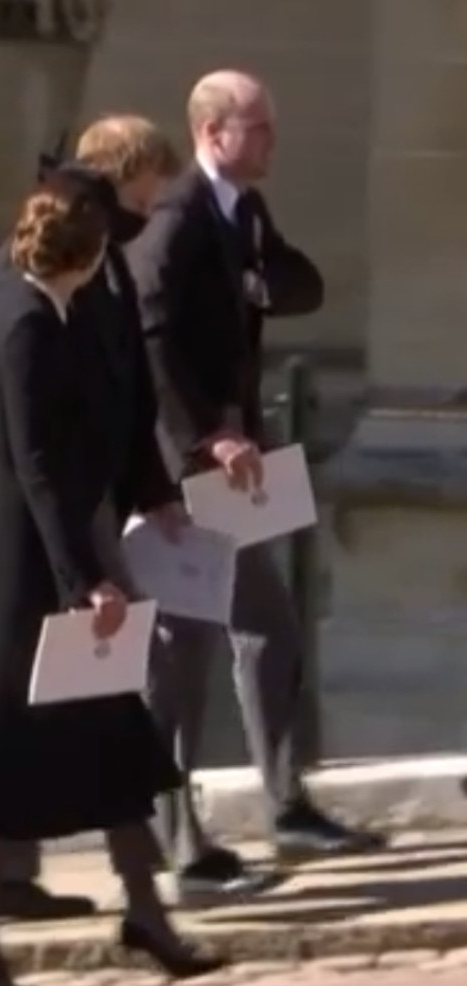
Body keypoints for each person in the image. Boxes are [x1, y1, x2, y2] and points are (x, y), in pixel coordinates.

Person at [0, 172, 225, 986]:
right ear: (83, 256)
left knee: (118, 738)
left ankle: (147, 915)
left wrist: (148, 499)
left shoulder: (68, 308)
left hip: (55, 558)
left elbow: (109, 422)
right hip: (12, 568)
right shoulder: (19, 323)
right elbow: (37, 469)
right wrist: (86, 578)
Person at [126, 69, 386, 901]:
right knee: (184, 652)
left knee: (268, 627)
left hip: (240, 464)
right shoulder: (175, 222)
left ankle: (286, 804)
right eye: (259, 128)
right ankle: (177, 839)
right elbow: (151, 339)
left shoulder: (246, 212)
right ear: (213, 134)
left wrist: (261, 279)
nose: (272, 141)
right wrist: (209, 432)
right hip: (190, 466)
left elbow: (300, 284)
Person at [0, 118, 200, 920]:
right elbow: (37, 434)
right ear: (120, 176)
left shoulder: (107, 253)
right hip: (49, 527)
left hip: (93, 507)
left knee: (106, 700)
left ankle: (140, 893)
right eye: (150, 183)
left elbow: (128, 392)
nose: (157, 200)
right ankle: (9, 886)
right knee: (40, 699)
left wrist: (152, 490)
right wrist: (84, 567)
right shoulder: (47, 265)